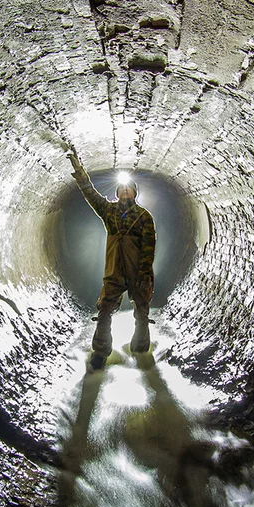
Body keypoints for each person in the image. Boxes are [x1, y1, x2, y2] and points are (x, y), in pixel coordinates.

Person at [68, 150, 156, 369]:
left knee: (142, 311)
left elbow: (148, 247)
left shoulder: (144, 217)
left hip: (137, 271)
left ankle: (141, 347)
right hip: (114, 271)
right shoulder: (109, 211)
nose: (125, 191)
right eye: (122, 189)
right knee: (105, 310)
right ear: (117, 192)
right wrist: (80, 172)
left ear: (134, 193)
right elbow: (91, 194)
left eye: (129, 189)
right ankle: (100, 351)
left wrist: (145, 273)